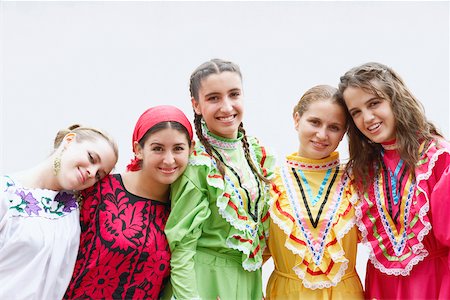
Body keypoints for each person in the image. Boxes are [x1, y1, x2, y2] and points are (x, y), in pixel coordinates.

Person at [164, 58, 276, 300]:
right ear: (196, 105)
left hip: (248, 280)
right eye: (213, 98)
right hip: (205, 281)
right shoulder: (197, 164)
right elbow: (181, 248)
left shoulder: (256, 154)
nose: (226, 107)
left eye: (234, 94)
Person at [338, 62, 450, 299]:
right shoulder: (360, 170)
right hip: (382, 286)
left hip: (434, 283)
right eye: (355, 112)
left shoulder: (439, 158)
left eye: (374, 103)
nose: (367, 118)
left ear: (395, 99)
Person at [64, 105, 193, 299]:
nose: (169, 160)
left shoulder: (184, 210)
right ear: (138, 149)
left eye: (178, 149)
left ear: (191, 149)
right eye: (158, 148)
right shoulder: (100, 189)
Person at [264, 85, 364, 299]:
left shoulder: (357, 181)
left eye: (334, 127)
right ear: (297, 119)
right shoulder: (270, 183)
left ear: (344, 133)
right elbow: (251, 257)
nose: (322, 134)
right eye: (315, 122)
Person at [0, 124, 118, 299]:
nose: (92, 172)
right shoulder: (5, 192)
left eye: (100, 175)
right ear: (69, 141)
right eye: (92, 158)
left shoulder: (77, 213)